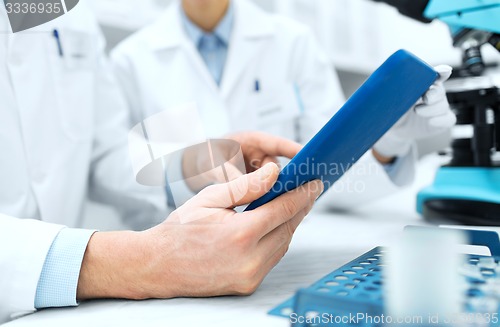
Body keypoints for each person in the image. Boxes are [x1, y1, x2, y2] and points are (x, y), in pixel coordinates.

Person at [0, 3, 323, 323]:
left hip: (62, 310)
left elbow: (104, 155)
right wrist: (145, 259)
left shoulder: (73, 15)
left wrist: (195, 163)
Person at [111, 0, 456, 209]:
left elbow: (329, 174)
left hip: (287, 247)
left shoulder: (293, 43)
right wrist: (189, 169)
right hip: (177, 255)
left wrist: (388, 141)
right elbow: (114, 176)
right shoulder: (131, 60)